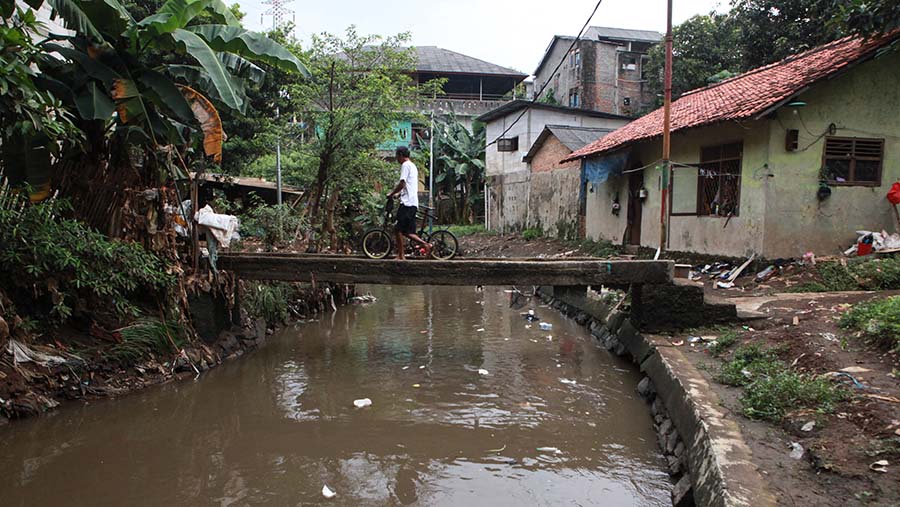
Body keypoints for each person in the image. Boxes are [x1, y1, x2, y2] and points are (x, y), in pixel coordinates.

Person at [388, 146, 432, 260]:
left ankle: (401, 255)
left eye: (397, 156)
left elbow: (402, 183)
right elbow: (408, 186)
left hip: (407, 204)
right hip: (412, 202)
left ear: (401, 155)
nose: (396, 158)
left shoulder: (405, 165)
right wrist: (399, 194)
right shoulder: (412, 165)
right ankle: (425, 244)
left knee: (397, 229)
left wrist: (392, 193)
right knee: (407, 232)